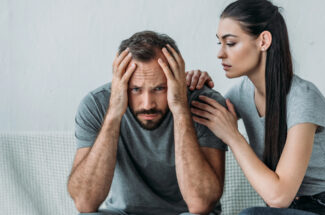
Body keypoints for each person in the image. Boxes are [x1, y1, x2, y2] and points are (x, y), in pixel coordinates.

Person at [187, 0, 325, 214]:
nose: (220, 54)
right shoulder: (241, 94)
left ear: (263, 41)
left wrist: (233, 137)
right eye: (219, 43)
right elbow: (205, 117)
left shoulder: (303, 98)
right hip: (293, 207)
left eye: (230, 43)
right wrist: (195, 86)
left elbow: (279, 197)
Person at [67, 31, 227, 215]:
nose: (147, 104)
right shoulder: (96, 104)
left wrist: (180, 108)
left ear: (177, 79)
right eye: (135, 89)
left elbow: (201, 205)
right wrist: (113, 114)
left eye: (159, 88)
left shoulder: (204, 103)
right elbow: (84, 203)